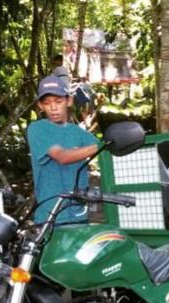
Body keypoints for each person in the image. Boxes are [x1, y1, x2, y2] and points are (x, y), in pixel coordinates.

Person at [26, 76, 99, 225]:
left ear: (69, 101)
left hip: (79, 213)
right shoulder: (37, 129)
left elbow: (107, 150)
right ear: (40, 106)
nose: (53, 108)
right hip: (51, 214)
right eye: (47, 103)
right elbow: (62, 157)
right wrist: (101, 146)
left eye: (58, 101)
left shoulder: (79, 133)